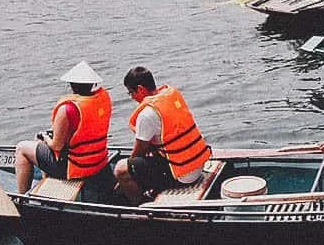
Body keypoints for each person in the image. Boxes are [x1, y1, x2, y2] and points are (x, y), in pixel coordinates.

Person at [114, 67, 212, 203]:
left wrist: (123, 181)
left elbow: (138, 153)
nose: (132, 97)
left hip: (182, 176)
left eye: (131, 93)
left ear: (141, 89)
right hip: (198, 165)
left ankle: (139, 206)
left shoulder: (147, 113)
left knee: (121, 169)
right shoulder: (172, 95)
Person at [14, 61, 114, 194]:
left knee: (22, 148)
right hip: (99, 162)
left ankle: (21, 196)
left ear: (71, 85)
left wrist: (45, 138)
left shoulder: (68, 109)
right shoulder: (103, 98)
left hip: (74, 167)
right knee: (41, 143)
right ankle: (49, 183)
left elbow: (56, 146)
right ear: (92, 84)